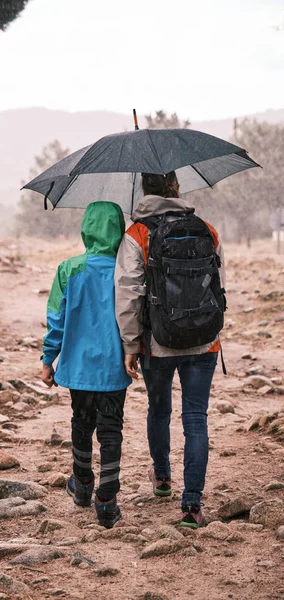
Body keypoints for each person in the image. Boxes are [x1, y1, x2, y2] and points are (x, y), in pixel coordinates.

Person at [115, 172, 226, 528]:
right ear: (177, 188)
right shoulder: (206, 228)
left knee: (159, 409)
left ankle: (162, 477)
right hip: (204, 341)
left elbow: (129, 294)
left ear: (146, 190)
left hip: (157, 342)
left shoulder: (137, 234)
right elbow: (219, 288)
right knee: (196, 418)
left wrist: (131, 344)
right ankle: (192, 506)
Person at [41, 201, 131, 529]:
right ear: (118, 230)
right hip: (113, 368)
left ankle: (81, 484)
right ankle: (107, 500)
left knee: (80, 423)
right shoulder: (127, 269)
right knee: (111, 430)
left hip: (78, 368)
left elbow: (56, 318)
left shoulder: (69, 269)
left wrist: (48, 359)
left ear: (86, 229)